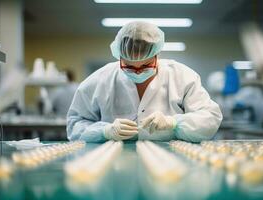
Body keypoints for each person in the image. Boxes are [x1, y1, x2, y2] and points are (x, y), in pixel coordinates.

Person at [67, 21, 222, 143]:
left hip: (170, 161)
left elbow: (210, 118)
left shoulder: (183, 76)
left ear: (157, 54)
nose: (138, 71)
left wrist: (174, 123)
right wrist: (104, 131)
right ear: (119, 57)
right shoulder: (100, 79)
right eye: (129, 67)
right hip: (115, 162)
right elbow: (75, 125)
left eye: (146, 65)